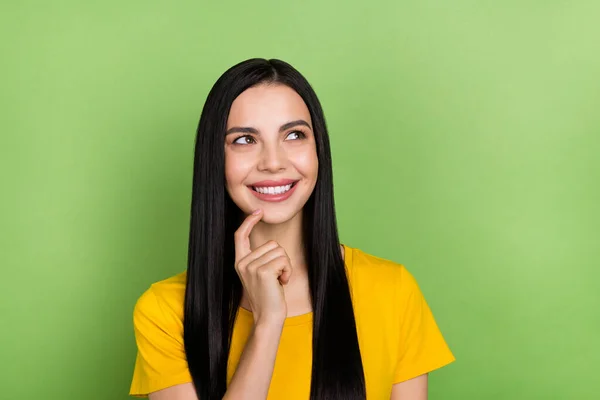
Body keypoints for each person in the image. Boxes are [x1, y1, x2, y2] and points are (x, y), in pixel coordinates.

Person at [128, 58, 455, 400]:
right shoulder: (166, 311)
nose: (273, 162)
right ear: (215, 158)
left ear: (318, 152)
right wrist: (268, 323)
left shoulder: (393, 291)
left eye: (294, 135)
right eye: (244, 140)